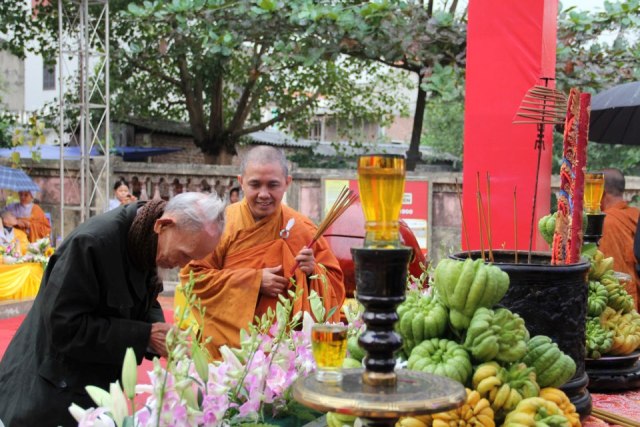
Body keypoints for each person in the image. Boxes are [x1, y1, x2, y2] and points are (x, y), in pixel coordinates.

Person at [0, 192, 226, 427]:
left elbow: (145, 299)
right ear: (163, 225)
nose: (182, 266)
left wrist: (161, 331)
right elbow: (64, 326)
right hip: (49, 388)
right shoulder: (92, 243)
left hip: (95, 382)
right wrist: (145, 336)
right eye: (184, 255)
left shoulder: (147, 239)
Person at [180, 145, 345, 359]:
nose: (264, 194)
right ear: (241, 182)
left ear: (287, 183)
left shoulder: (303, 229)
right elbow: (193, 279)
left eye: (273, 185)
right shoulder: (221, 225)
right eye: (255, 184)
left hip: (283, 355)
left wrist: (313, 271)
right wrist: (254, 282)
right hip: (228, 353)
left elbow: (335, 286)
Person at [599, 168, 640, 310]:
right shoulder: (636, 214)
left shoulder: (606, 222)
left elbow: (613, 273)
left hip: (623, 304)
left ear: (601, 192)